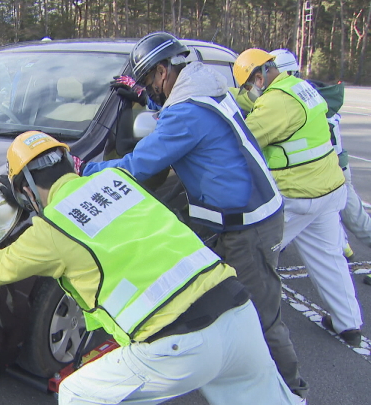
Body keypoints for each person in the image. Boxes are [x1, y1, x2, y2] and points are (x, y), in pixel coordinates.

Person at [0, 131, 298, 405]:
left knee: (77, 394)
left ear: (26, 190)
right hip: (239, 312)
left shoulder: (50, 228)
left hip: (180, 345)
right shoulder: (119, 183)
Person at [80, 32, 307, 400]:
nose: (149, 90)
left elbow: (139, 164)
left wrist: (81, 170)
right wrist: (143, 98)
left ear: (165, 70)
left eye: (150, 81)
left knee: (261, 316)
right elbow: (175, 118)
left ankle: (293, 394)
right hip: (232, 217)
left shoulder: (187, 112)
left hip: (248, 226)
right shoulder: (203, 87)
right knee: (222, 304)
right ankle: (236, 377)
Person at [234, 48, 363, 347]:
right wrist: (224, 95)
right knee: (330, 258)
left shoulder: (276, 104)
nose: (248, 92)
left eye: (248, 85)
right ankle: (349, 324)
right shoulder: (298, 86)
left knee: (254, 257)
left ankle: (244, 329)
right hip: (328, 189)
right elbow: (249, 98)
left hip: (296, 196)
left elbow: (243, 141)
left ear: (259, 77)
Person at [270, 49, 370, 264]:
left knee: (356, 221)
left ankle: (343, 246)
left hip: (330, 170)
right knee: (328, 220)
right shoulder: (305, 91)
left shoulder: (293, 96)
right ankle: (343, 246)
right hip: (325, 172)